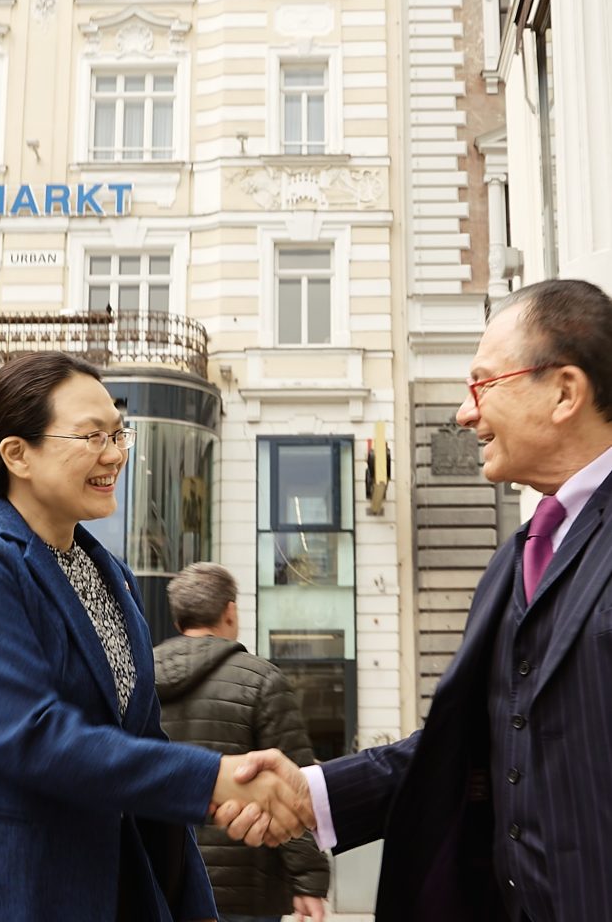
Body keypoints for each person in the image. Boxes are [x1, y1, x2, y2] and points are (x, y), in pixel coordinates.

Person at [217, 278, 612, 922]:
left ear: (565, 391)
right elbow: (469, 746)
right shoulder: (516, 560)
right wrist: (310, 792)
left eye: (483, 384)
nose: (464, 413)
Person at [0, 351, 313, 922]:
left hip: (113, 888)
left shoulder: (111, 574)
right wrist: (214, 780)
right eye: (91, 437)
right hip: (5, 889)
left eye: (118, 432)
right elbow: (32, 736)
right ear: (17, 455)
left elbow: (144, 740)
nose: (115, 455)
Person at [154, 562, 330, 922]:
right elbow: (291, 786)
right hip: (246, 889)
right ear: (230, 611)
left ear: (178, 621)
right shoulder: (262, 679)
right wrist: (309, 879)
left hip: (162, 883)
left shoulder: (140, 679)